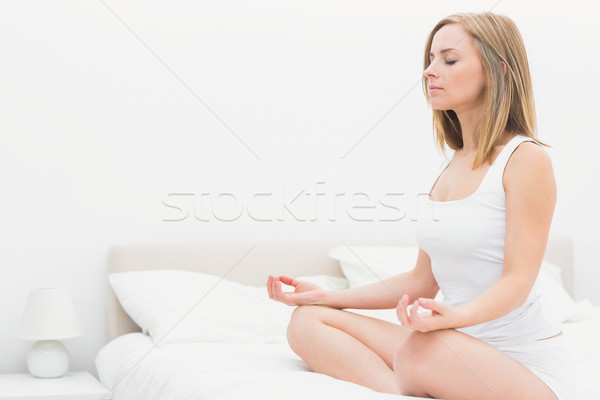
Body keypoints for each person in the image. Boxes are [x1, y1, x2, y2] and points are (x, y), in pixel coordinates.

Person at [266, 11, 570, 400]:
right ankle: (403, 388)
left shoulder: (525, 159)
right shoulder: (451, 167)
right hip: (451, 349)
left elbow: (517, 280)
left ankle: (420, 375)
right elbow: (420, 281)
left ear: (496, 71)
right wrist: (324, 295)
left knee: (420, 350)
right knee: (307, 322)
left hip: (522, 366)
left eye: (449, 59)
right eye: (430, 59)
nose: (430, 71)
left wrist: (454, 319)